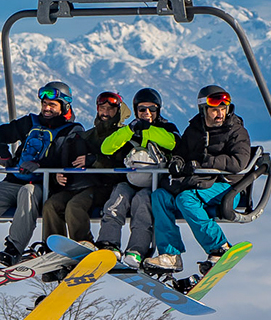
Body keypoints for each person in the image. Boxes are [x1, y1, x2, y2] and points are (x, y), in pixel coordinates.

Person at [0, 81, 84, 282]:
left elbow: (67, 161)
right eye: (44, 104)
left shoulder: (72, 131)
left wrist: (41, 166)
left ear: (64, 106)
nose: (47, 108)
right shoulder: (30, 122)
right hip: (14, 180)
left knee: (28, 192)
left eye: (52, 105)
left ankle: (14, 248)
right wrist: (3, 153)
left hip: (44, 185)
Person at [145, 85, 251, 273]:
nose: (219, 114)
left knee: (186, 199)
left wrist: (204, 162)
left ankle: (219, 247)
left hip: (226, 187)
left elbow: (238, 162)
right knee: (160, 196)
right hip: (197, 184)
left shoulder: (235, 131)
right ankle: (170, 254)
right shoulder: (195, 130)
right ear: (204, 110)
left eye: (223, 109)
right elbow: (181, 152)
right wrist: (177, 162)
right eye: (215, 110)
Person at [96, 88, 180, 269]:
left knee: (142, 206)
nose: (147, 113)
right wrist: (129, 130)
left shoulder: (166, 127)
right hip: (130, 180)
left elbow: (173, 142)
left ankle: (137, 250)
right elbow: (106, 148)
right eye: (142, 109)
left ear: (158, 110)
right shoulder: (128, 130)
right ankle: (108, 244)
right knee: (116, 202)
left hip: (154, 183)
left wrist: (147, 131)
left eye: (152, 109)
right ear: (136, 110)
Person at [40, 90, 130, 248]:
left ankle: (83, 244)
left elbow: (123, 168)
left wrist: (95, 161)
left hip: (104, 187)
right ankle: (55, 249)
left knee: (74, 207)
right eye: (102, 108)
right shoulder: (86, 136)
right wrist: (57, 175)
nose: (106, 113)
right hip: (79, 184)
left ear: (118, 111)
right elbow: (66, 159)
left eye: (111, 109)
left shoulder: (124, 137)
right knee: (51, 205)